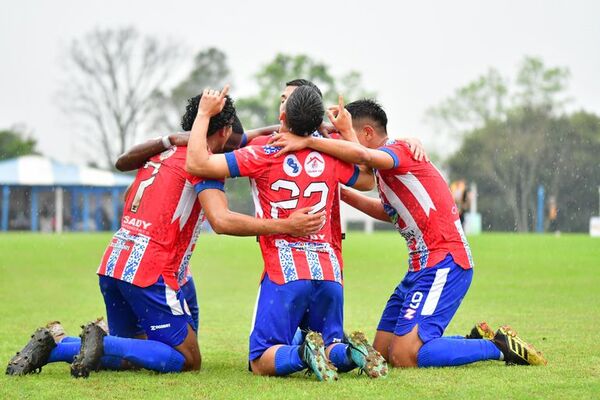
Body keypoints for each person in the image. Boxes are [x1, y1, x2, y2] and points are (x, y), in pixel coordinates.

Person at [6, 93, 324, 377]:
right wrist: (286, 225)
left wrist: (285, 130)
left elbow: (124, 161)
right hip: (149, 269)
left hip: (115, 262)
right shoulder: (201, 163)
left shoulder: (164, 153)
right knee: (185, 359)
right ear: (225, 132)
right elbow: (222, 220)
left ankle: (77, 343)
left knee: (139, 349)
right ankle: (68, 345)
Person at [269, 97, 547, 368]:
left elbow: (363, 155)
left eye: (343, 136)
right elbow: (387, 211)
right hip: (419, 269)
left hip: (446, 262)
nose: (338, 145)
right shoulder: (385, 171)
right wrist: (339, 191)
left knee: (405, 356)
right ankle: (471, 341)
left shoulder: (399, 150)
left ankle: (499, 348)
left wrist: (308, 141)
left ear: (366, 133)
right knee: (383, 352)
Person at [185, 84, 386, 381]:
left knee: (261, 357)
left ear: (282, 115)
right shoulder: (332, 156)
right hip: (329, 272)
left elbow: (197, 162)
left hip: (286, 271)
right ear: (319, 121)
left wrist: (203, 113)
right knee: (331, 344)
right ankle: (351, 352)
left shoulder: (265, 153)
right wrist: (345, 131)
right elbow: (368, 179)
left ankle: (303, 353)